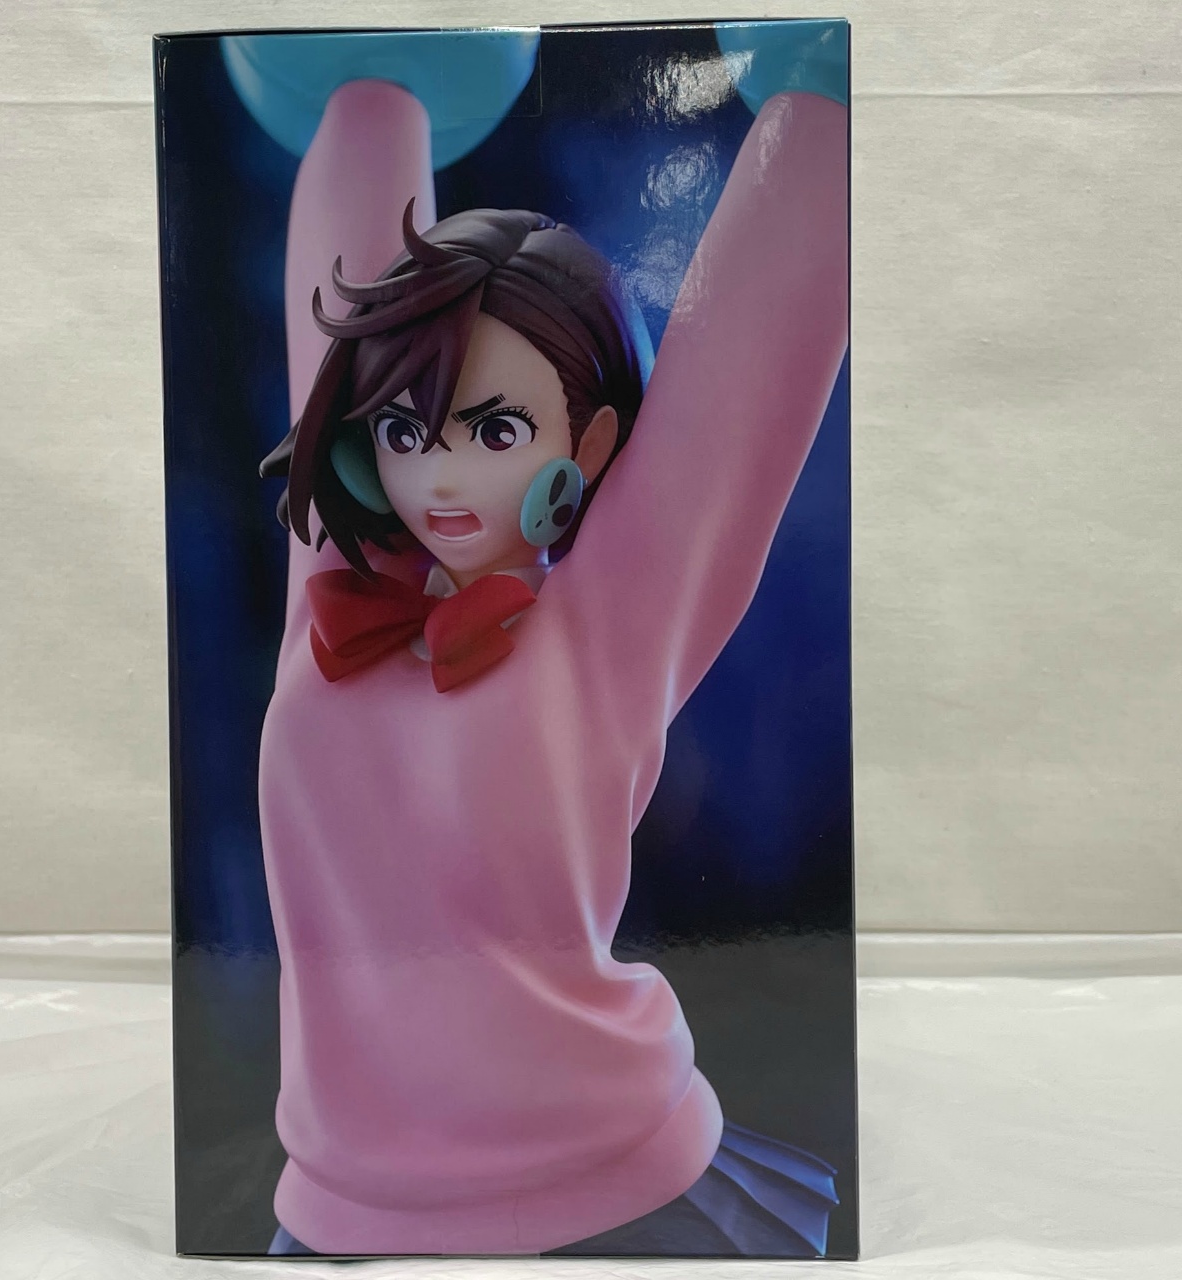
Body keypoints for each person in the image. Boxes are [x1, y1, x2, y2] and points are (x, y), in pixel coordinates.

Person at [257, 76, 848, 1257]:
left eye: (494, 429)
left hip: (617, 1178)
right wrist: (374, 95)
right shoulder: (334, 586)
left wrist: (820, 114)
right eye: (405, 430)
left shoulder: (600, 623)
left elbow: (738, 367)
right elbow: (339, 291)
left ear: (588, 442)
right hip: (337, 1200)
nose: (438, 474)